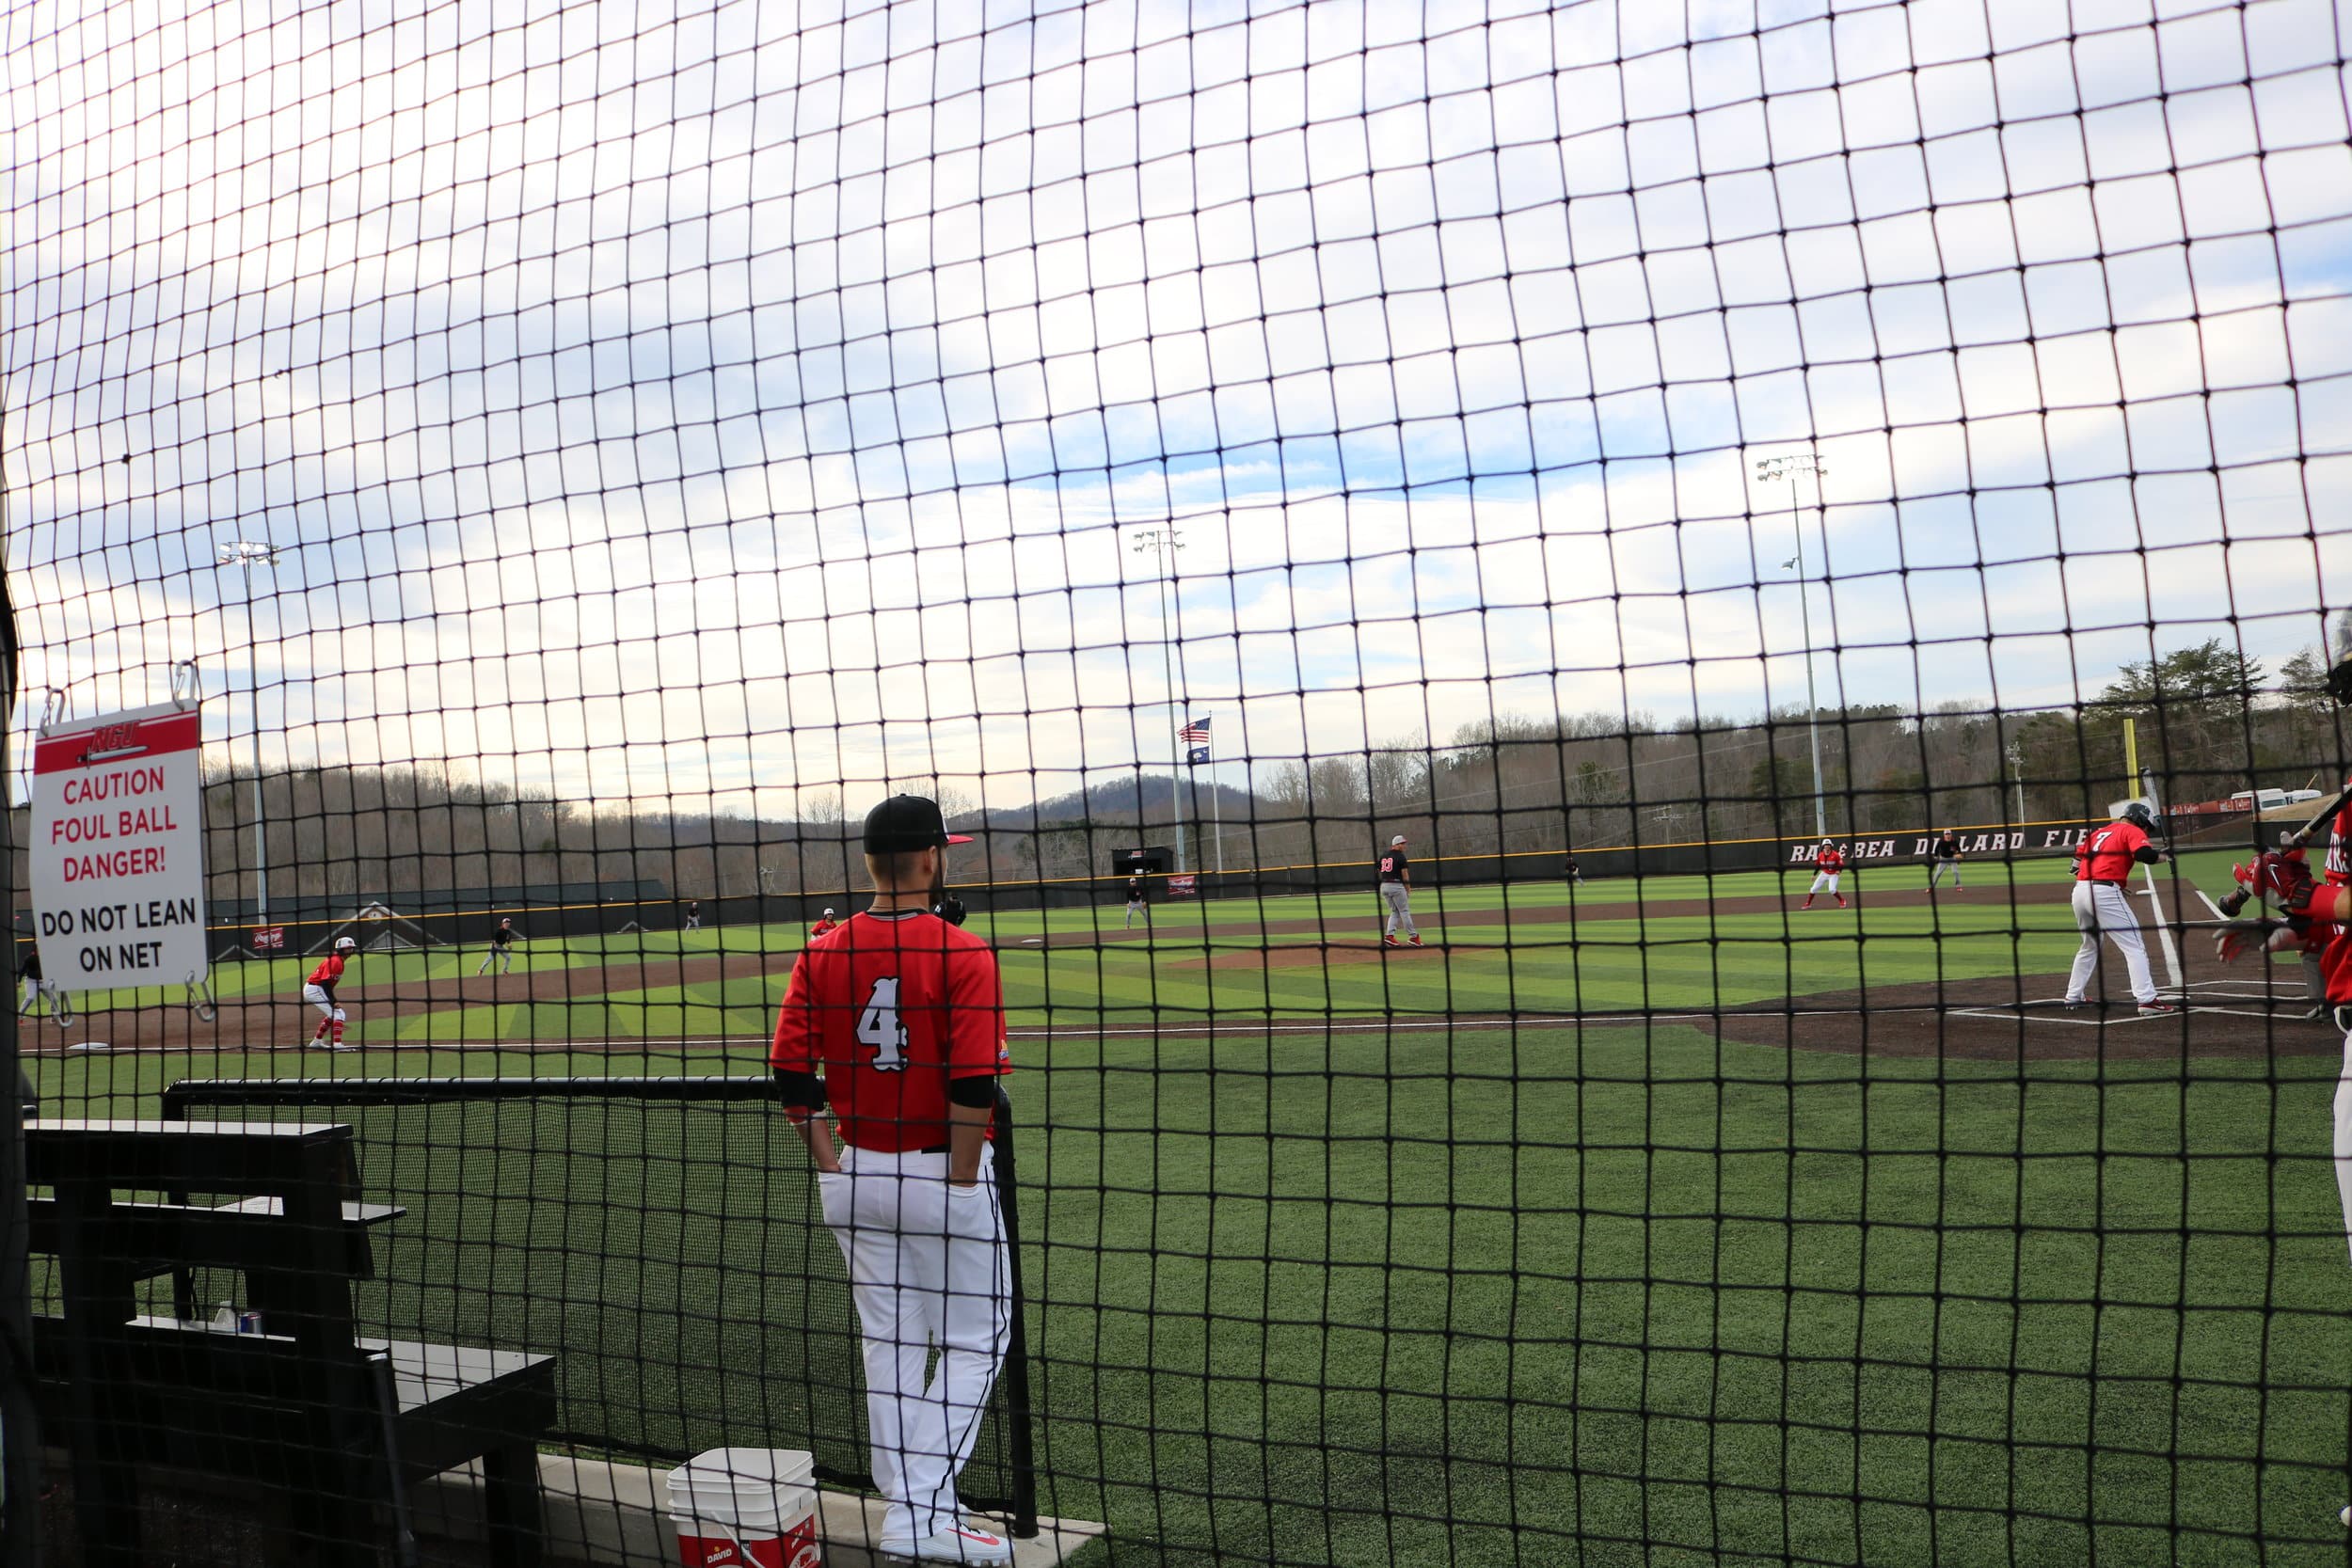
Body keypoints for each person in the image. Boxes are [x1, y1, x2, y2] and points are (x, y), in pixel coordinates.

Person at [770, 795, 1015, 1565]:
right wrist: (964, 1181)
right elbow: (973, 1082)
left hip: (853, 1170)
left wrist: (831, 1161)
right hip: (942, 1172)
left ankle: (912, 1502)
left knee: (892, 1341)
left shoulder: (823, 948)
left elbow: (787, 1070)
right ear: (933, 860)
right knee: (979, 1338)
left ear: (873, 863)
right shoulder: (963, 952)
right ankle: (921, 1511)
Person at [2063, 801, 2175, 1015]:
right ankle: (2147, 999)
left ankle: (2073, 995)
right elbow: (2143, 855)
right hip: (2103, 892)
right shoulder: (2131, 830)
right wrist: (2165, 855)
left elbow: (2075, 865)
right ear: (2140, 820)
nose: (2146, 832)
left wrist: (2107, 880)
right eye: (2146, 828)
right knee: (2134, 946)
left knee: (2089, 945)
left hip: (2080, 891)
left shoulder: (2099, 832)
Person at [305, 936, 359, 1050]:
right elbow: (325, 982)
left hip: (315, 988)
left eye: (351, 948)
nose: (350, 951)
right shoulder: (335, 961)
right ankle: (337, 1045)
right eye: (347, 949)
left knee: (332, 1014)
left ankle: (316, 1042)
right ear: (341, 949)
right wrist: (333, 1001)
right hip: (315, 989)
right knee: (339, 1014)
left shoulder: (338, 960)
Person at [1378, 833, 1422, 946]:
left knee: (1395, 911)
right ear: (1396, 845)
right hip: (1396, 886)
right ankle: (1414, 937)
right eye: (1402, 844)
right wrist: (1408, 888)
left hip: (1384, 886)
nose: (1404, 846)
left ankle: (1389, 936)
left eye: (1404, 843)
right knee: (1404, 911)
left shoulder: (1383, 855)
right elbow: (1405, 874)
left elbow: (1378, 869)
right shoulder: (1400, 856)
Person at [1801, 838, 1846, 910]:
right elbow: (1818, 866)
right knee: (1813, 889)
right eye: (1825, 846)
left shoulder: (1836, 855)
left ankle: (1842, 901)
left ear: (1831, 846)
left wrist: (1839, 870)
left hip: (1833, 874)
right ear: (1823, 847)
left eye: (1828, 846)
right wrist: (1814, 875)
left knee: (1832, 890)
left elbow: (1841, 864)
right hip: (1824, 873)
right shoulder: (1820, 855)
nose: (1827, 847)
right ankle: (1808, 904)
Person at [1928, 828, 1964, 893]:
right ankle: (1931, 887)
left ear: (1951, 834)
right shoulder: (1941, 841)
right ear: (1944, 835)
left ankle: (1958, 886)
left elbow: (1959, 853)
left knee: (1955, 872)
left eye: (1949, 834)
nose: (1948, 835)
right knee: (1938, 873)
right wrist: (1936, 856)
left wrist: (1957, 856)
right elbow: (1936, 848)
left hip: (1952, 858)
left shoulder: (1954, 842)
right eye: (1946, 834)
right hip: (1943, 859)